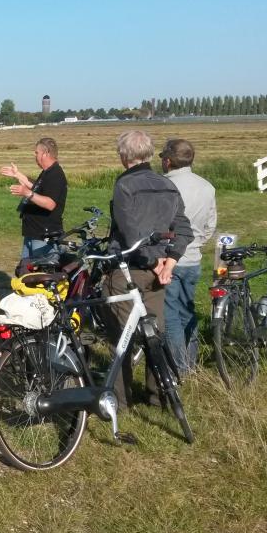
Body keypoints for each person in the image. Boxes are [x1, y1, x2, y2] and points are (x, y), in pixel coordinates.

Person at [105, 130, 193, 407]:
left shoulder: (124, 186)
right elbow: (184, 229)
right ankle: (160, 396)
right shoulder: (166, 185)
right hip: (160, 273)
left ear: (123, 155)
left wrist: (156, 263)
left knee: (122, 336)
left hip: (128, 269)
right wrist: (170, 261)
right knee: (156, 334)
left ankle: (120, 400)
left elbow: (131, 234)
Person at [160, 139, 217, 374]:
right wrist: (197, 244)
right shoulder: (207, 186)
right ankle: (191, 364)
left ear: (168, 160)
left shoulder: (163, 186)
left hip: (169, 259)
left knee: (170, 317)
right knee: (188, 311)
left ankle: (179, 368)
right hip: (193, 258)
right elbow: (210, 225)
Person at [0, 138, 68, 258]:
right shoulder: (47, 172)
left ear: (45, 153)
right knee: (26, 273)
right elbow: (37, 188)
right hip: (33, 232)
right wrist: (17, 174)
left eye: (37, 152)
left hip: (44, 236)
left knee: (41, 274)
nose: (34, 155)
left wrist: (27, 193)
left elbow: (50, 203)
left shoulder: (56, 174)